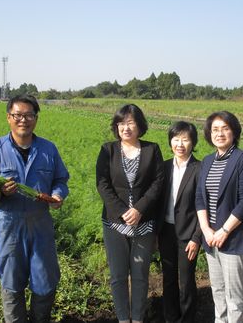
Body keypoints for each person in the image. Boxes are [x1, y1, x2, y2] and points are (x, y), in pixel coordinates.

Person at [0, 94, 70, 323]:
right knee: (11, 280)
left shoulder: (48, 149)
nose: (23, 120)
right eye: (17, 115)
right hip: (8, 224)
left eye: (29, 115)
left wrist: (58, 194)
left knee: (45, 278)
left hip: (41, 225)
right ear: (9, 117)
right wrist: (0, 193)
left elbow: (60, 179)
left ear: (36, 118)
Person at [96, 104, 164, 323]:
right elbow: (103, 184)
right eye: (121, 123)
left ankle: (137, 318)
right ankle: (123, 318)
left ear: (140, 126)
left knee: (140, 275)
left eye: (131, 123)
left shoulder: (152, 149)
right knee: (117, 276)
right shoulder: (108, 150)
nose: (126, 128)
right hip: (115, 224)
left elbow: (158, 182)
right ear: (116, 127)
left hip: (143, 223)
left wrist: (139, 210)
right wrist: (123, 212)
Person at [196, 111, 243, 323]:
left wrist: (224, 231)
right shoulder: (207, 161)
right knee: (218, 291)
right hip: (211, 237)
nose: (219, 133)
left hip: (232, 237)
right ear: (208, 133)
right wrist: (206, 230)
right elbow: (200, 198)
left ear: (234, 132)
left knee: (234, 296)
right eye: (215, 129)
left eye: (225, 128)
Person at [157, 121, 202, 323]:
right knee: (168, 279)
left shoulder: (200, 168)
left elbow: (206, 207)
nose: (180, 144)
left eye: (185, 139)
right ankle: (170, 317)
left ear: (193, 142)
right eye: (176, 139)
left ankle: (187, 319)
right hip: (165, 230)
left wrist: (196, 238)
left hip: (188, 235)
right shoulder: (164, 167)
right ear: (170, 141)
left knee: (186, 281)